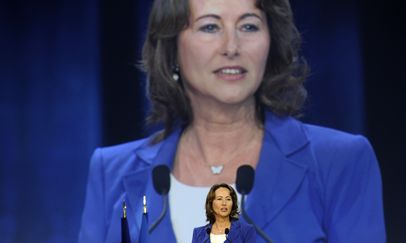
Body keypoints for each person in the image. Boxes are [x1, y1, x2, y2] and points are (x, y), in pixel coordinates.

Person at [78, 0, 386, 242]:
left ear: (271, 42)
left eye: (249, 26)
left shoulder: (339, 162)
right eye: (210, 27)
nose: (232, 47)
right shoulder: (111, 173)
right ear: (172, 48)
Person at [191, 183, 256, 243]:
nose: (224, 203)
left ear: (233, 203)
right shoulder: (198, 233)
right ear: (211, 204)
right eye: (219, 199)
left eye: (228, 199)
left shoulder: (246, 231)